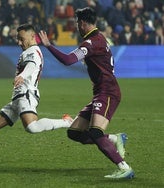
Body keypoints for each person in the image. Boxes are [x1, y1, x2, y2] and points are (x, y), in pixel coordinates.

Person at [0, 23, 73, 166]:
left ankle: (66, 122)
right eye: (18, 39)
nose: (19, 42)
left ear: (32, 37)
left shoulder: (33, 51)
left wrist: (22, 75)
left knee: (32, 127)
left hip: (26, 94)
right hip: (18, 98)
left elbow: (32, 65)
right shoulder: (30, 51)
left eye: (21, 39)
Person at [38, 7, 135, 179]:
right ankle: (114, 138)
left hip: (108, 92)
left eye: (77, 23)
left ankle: (124, 167)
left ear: (82, 23)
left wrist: (48, 46)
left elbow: (68, 60)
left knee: (95, 132)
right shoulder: (99, 38)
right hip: (101, 92)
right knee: (74, 132)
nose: (76, 26)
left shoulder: (91, 43)